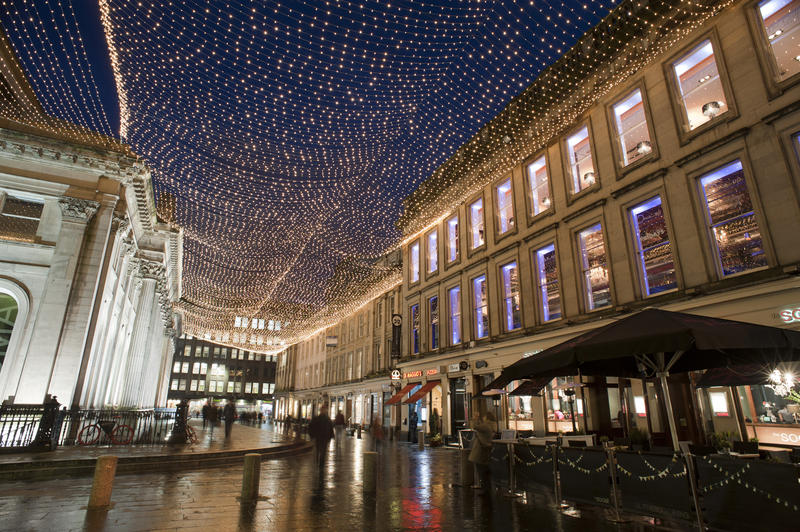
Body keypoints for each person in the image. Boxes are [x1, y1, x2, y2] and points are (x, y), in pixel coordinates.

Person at [469, 412, 496, 494]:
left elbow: (474, 427)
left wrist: (474, 418)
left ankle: (486, 490)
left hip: (480, 450)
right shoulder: (491, 425)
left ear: (487, 417)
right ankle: (487, 488)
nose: (483, 418)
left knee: (482, 471)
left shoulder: (486, 426)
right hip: (486, 449)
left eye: (484, 416)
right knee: (485, 470)